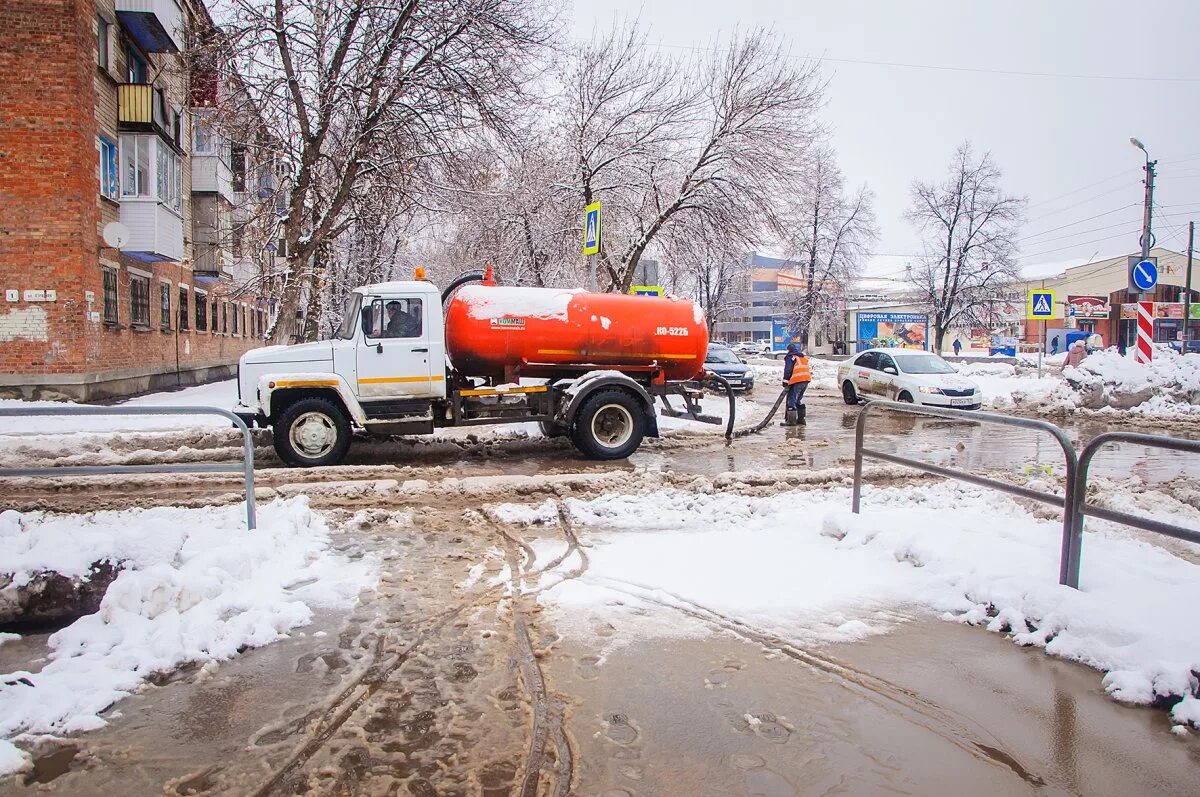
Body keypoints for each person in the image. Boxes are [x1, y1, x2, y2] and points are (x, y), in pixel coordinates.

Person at [781, 343, 812, 426]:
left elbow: (788, 369)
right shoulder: (801, 356)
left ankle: (791, 421)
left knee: (792, 398)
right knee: (798, 399)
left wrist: (785, 380)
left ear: (789, 350)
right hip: (806, 379)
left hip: (798, 379)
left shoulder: (790, 356)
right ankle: (801, 419)